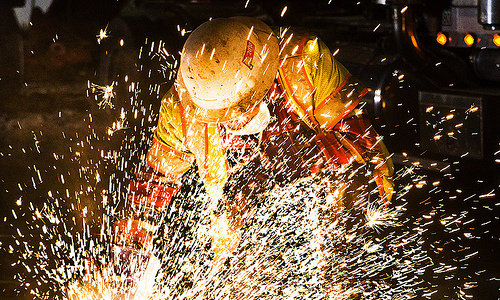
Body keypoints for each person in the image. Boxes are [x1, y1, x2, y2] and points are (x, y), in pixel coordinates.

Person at [113, 16, 394, 279]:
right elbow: (157, 176)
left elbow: (360, 139)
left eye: (239, 112)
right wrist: (134, 234)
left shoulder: (302, 58)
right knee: (233, 256)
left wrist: (285, 163)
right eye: (224, 116)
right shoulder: (185, 103)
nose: (233, 122)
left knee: (348, 187)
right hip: (249, 213)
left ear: (261, 85)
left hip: (327, 193)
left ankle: (350, 295)